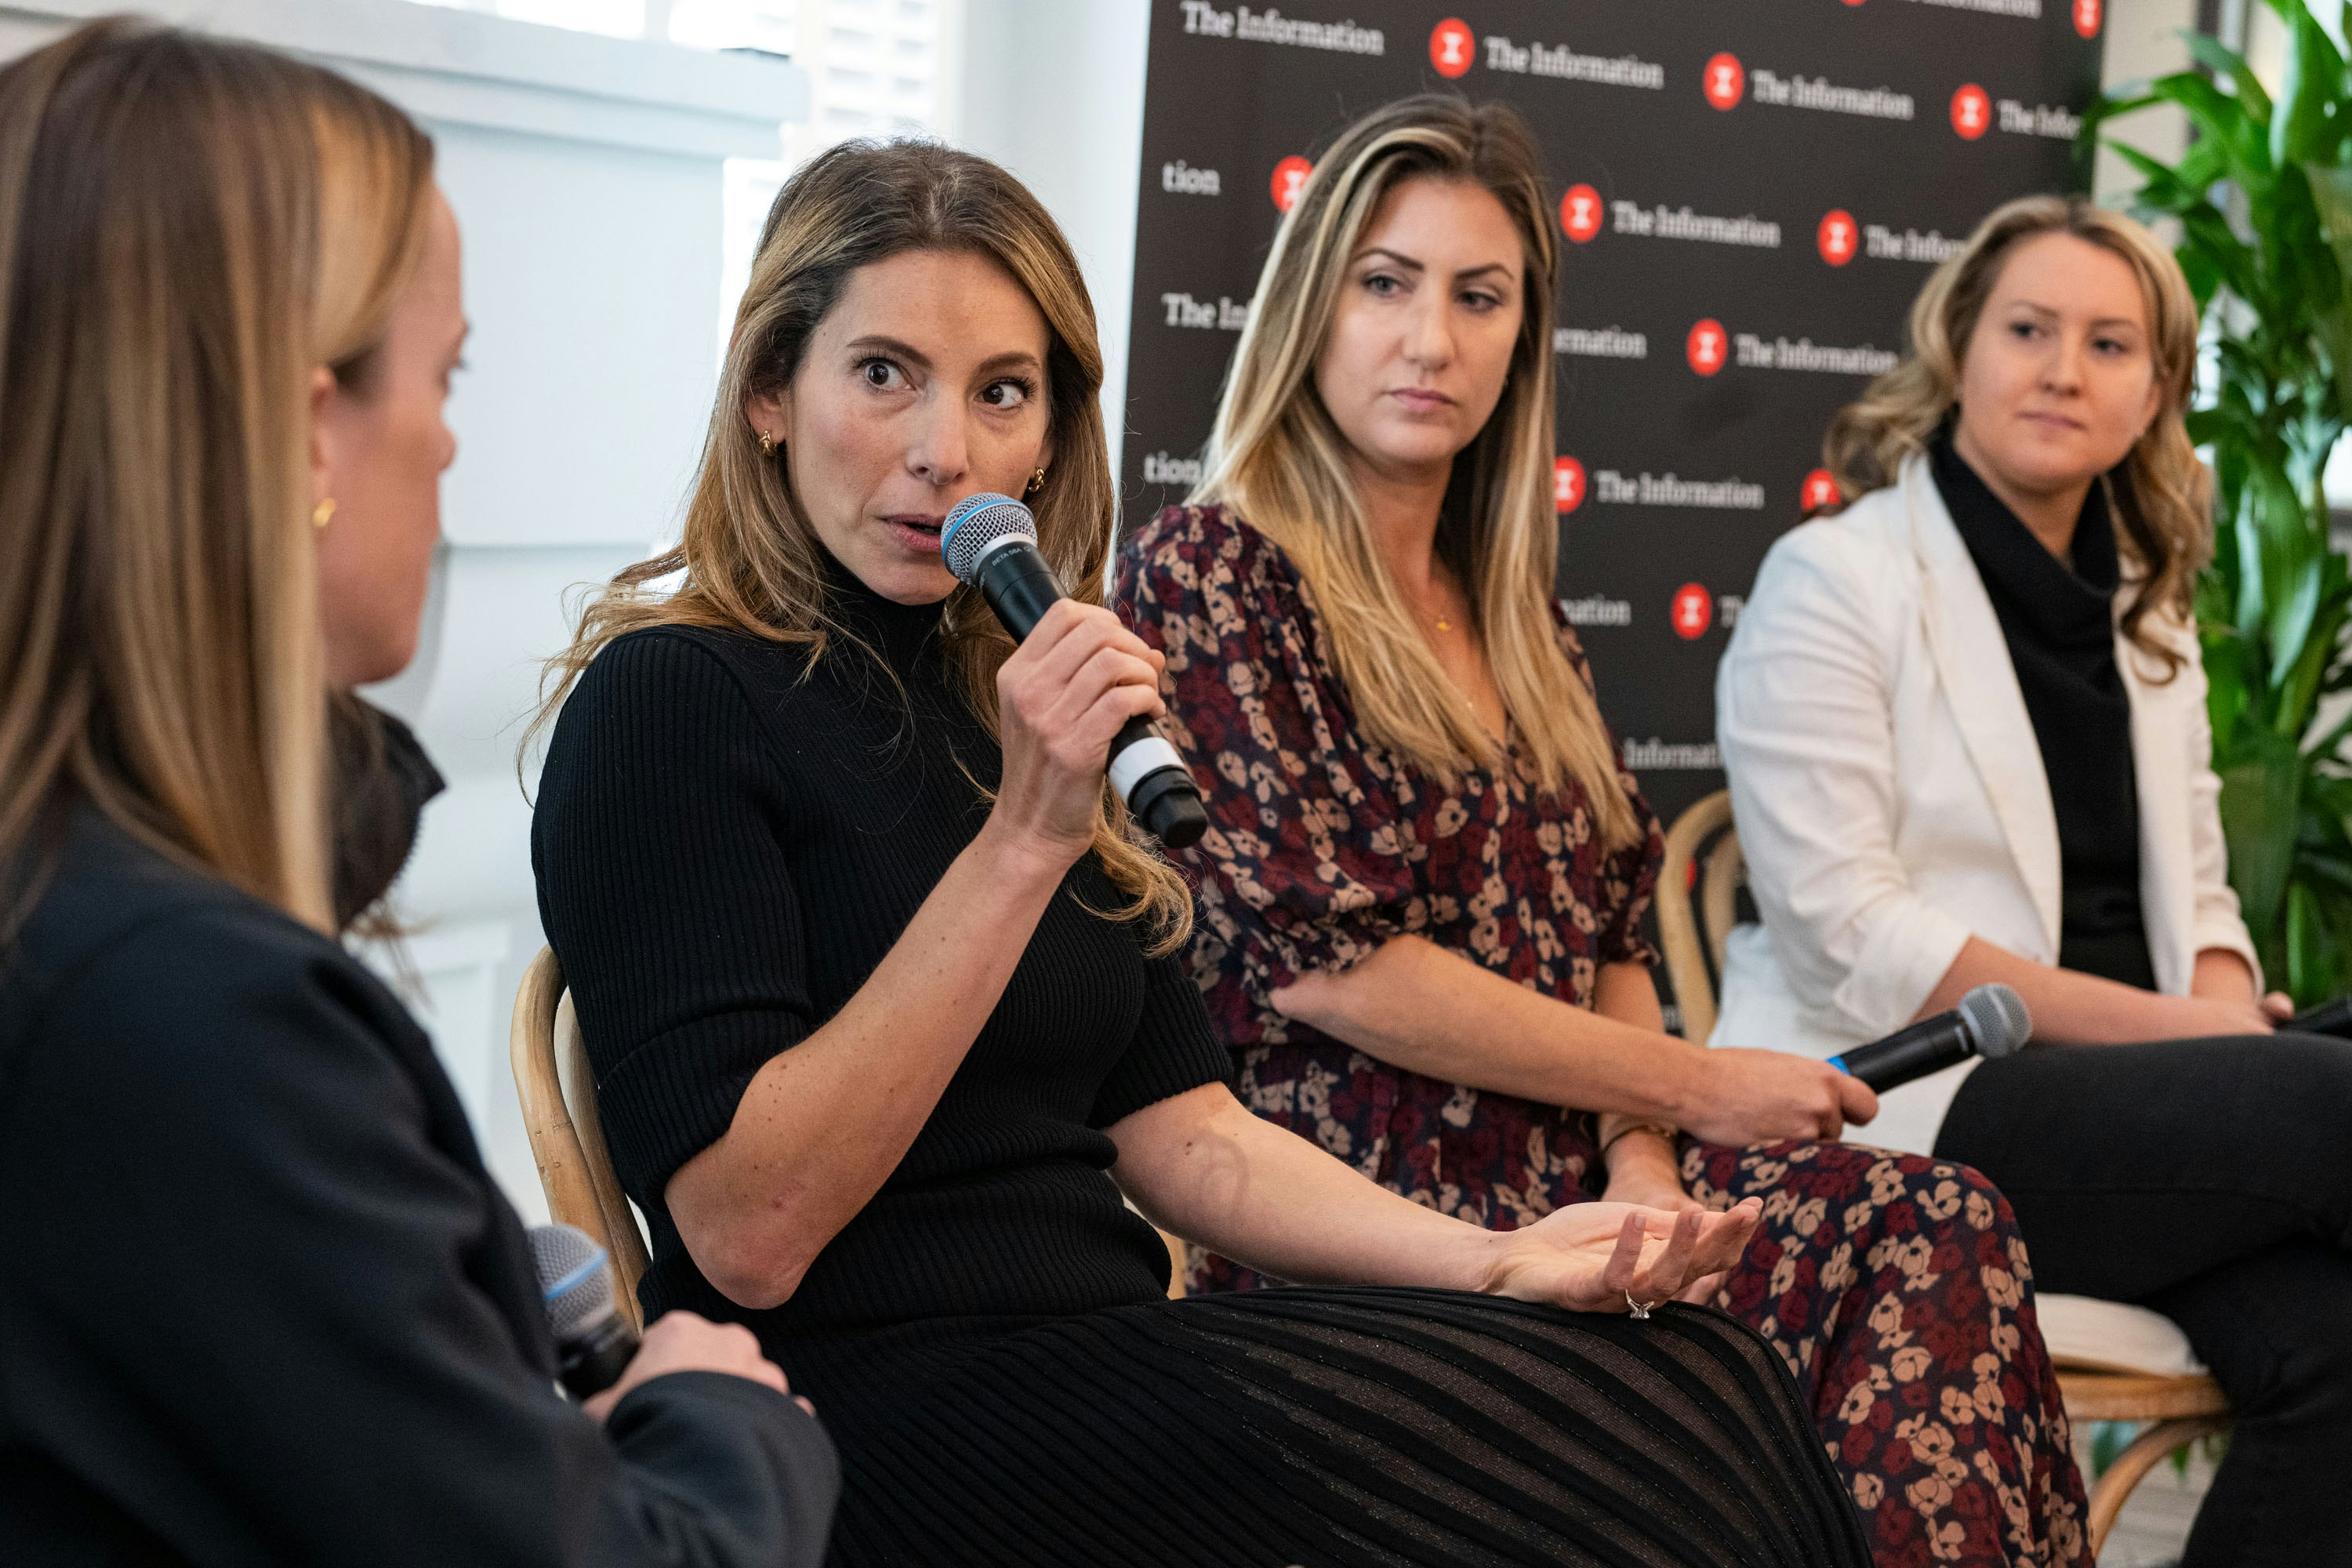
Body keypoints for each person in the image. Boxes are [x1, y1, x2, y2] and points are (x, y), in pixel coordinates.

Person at [531, 136, 1872, 1568]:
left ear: (1052, 435)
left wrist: (1494, 1264)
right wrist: (1023, 841)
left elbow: (1195, 1141)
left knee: (1694, 1380)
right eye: (883, 375)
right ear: (767, 397)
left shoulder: (1027, 696)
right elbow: (752, 1230)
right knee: (1604, 1460)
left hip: (1108, 1356)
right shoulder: (673, 703)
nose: (947, 452)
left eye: (1001, 392)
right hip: (862, 1404)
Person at [1116, 96, 2086, 1568]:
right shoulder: (1210, 572)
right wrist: (1697, 1089)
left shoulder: (1518, 619)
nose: (1431, 338)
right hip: (1364, 1226)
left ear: (1524, 341)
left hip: (1589, 1190)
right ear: (1310, 308)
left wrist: (1647, 1162)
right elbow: (1334, 972)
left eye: (1479, 295)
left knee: (1937, 1220)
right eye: (1385, 283)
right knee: (1907, 1252)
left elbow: (1613, 937)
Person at [0, 21, 837, 1564]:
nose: (452, 440)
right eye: (439, 377)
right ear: (310, 423)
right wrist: (723, 1423)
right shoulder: (189, 1017)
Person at [1715, 193, 2352, 1567]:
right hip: (1923, 1097)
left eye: (2110, 343)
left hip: (2160, 1114)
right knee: (2333, 1092)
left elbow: (2198, 883)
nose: (2065, 369)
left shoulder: (2144, 605)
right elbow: (1856, 943)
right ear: (1959, 347)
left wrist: (2225, 997)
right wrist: (2207, 1037)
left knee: (2339, 1350)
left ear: (2158, 391)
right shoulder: (1836, 579)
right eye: (2030, 329)